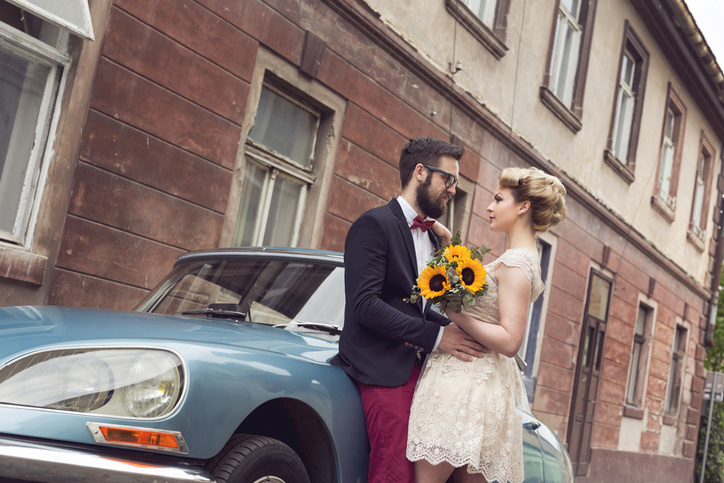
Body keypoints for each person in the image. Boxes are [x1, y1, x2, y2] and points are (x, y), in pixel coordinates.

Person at [331, 137, 487, 483]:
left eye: (455, 183)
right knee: (394, 475)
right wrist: (437, 337)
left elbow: (420, 306)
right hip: (381, 370)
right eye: (448, 179)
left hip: (423, 375)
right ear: (420, 172)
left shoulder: (432, 237)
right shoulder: (374, 224)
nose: (452, 189)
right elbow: (365, 305)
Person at [406, 166, 567, 483]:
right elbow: (488, 297)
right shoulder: (517, 257)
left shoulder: (516, 263)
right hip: (480, 384)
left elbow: (510, 341)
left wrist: (454, 312)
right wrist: (450, 245)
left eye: (498, 199)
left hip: (466, 388)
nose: (490, 207)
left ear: (522, 207)